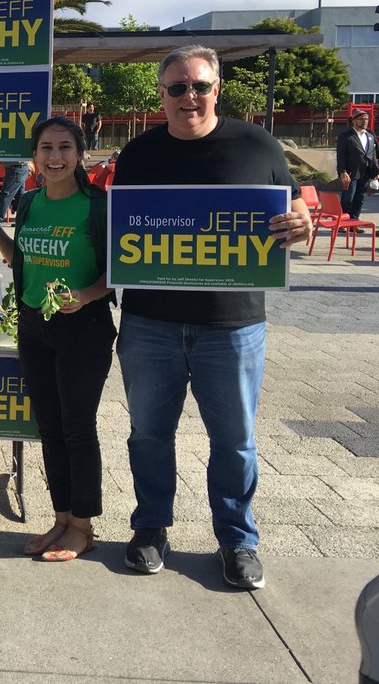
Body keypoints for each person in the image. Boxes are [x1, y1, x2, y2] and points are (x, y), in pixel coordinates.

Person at [115, 44, 312, 590]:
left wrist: (303, 227)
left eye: (199, 85)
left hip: (233, 326)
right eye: (177, 88)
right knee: (149, 435)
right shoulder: (139, 154)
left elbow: (296, 211)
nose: (189, 97)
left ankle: (237, 540)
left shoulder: (258, 144)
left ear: (217, 88)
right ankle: (151, 527)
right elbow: (117, 231)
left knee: (235, 440)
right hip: (150, 323)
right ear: (161, 95)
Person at [0, 117, 115, 562]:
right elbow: (18, 256)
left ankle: (83, 526)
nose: (55, 157)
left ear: (80, 153)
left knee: (78, 429)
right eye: (46, 148)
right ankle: (61, 517)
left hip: (84, 328)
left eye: (65, 147)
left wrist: (84, 295)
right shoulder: (27, 203)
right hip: (33, 323)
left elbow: (119, 270)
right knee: (49, 428)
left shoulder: (97, 205)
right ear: (35, 156)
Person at [336, 108, 376, 220]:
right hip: (350, 173)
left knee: (360, 198)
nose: (365, 121)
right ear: (354, 120)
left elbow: (372, 155)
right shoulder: (346, 136)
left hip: (365, 172)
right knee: (348, 198)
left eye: (367, 119)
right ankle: (342, 222)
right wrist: (342, 172)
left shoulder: (370, 136)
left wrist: (375, 172)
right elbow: (340, 155)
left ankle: (354, 222)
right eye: (362, 119)